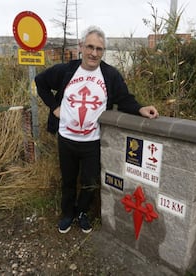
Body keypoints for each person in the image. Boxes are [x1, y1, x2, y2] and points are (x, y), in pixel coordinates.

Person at [35, 25, 159, 234]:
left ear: (103, 51)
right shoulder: (66, 71)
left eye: (99, 49)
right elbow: (40, 82)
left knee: (90, 182)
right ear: (81, 47)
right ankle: (67, 214)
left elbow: (123, 99)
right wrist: (55, 107)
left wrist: (140, 108)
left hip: (93, 141)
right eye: (90, 47)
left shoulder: (109, 75)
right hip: (66, 138)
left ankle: (82, 212)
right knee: (68, 180)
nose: (94, 53)